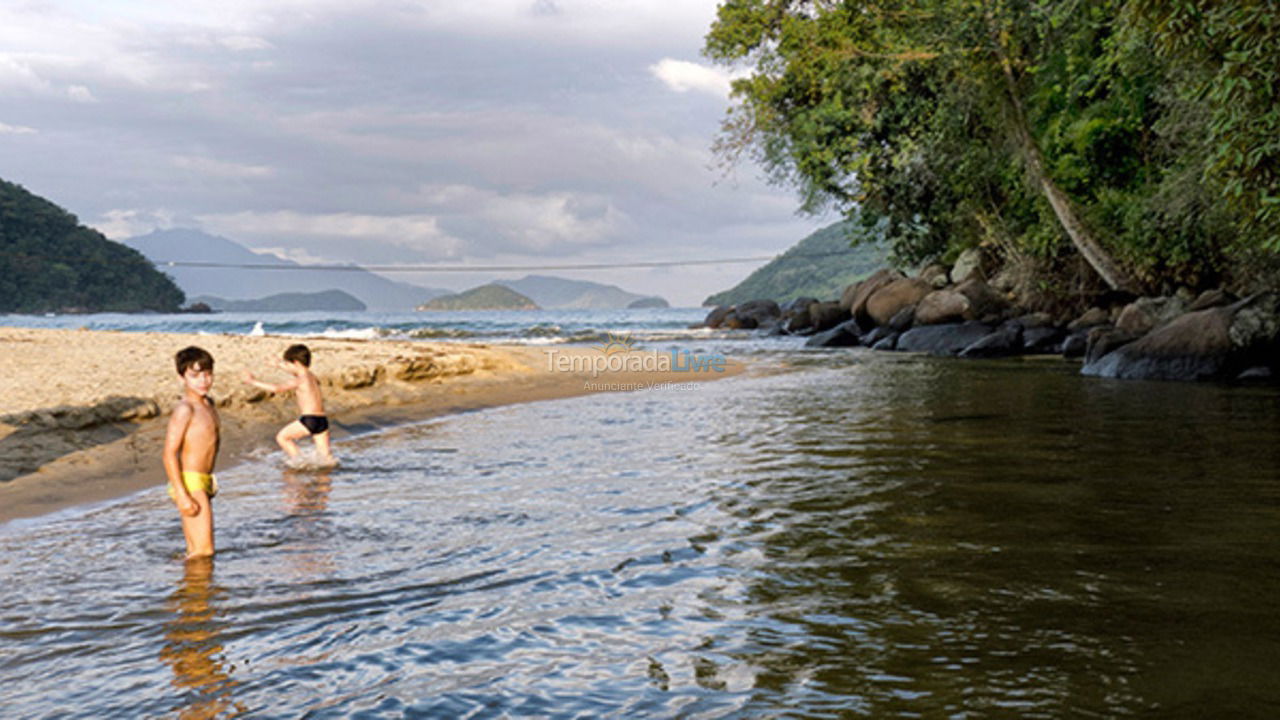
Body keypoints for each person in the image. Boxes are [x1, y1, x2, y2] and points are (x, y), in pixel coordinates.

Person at [165, 346, 221, 559]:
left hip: (204, 480)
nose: (203, 380)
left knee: (196, 551)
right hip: (190, 482)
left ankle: (191, 590)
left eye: (207, 374)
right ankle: (197, 591)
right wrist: (182, 494)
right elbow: (169, 454)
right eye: (195, 375)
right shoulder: (185, 409)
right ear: (182, 378)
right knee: (204, 552)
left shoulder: (208, 404)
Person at [243, 343, 335, 465]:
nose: (285, 366)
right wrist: (278, 365)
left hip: (309, 420)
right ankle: (325, 482)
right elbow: (295, 369)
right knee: (326, 459)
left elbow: (277, 388)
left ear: (296, 362)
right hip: (322, 420)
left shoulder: (300, 380)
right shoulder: (312, 376)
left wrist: (252, 381)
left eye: (287, 363)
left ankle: (300, 462)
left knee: (282, 438)